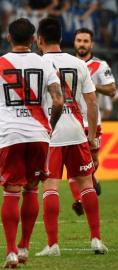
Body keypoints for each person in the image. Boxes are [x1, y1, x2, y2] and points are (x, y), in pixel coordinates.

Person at [0, 18, 64, 268]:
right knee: (31, 190)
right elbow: (58, 100)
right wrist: (50, 124)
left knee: (11, 192)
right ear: (33, 39)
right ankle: (25, 246)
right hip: (39, 135)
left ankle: (10, 252)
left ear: (9, 37)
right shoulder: (45, 63)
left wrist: (7, 111)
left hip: (11, 136)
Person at [35, 17, 108, 257]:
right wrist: (93, 136)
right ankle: (96, 239)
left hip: (51, 133)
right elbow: (91, 103)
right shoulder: (79, 63)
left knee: (50, 187)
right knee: (87, 184)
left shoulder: (37, 64)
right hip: (77, 130)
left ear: (40, 40)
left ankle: (53, 244)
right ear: (62, 38)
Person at [69, 27, 116, 215]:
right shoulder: (67, 63)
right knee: (73, 164)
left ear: (91, 44)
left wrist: (90, 84)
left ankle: (92, 181)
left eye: (85, 41)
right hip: (71, 121)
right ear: (74, 43)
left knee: (91, 161)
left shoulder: (100, 65)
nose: (82, 44)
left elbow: (112, 89)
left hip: (92, 122)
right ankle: (80, 200)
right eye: (79, 40)